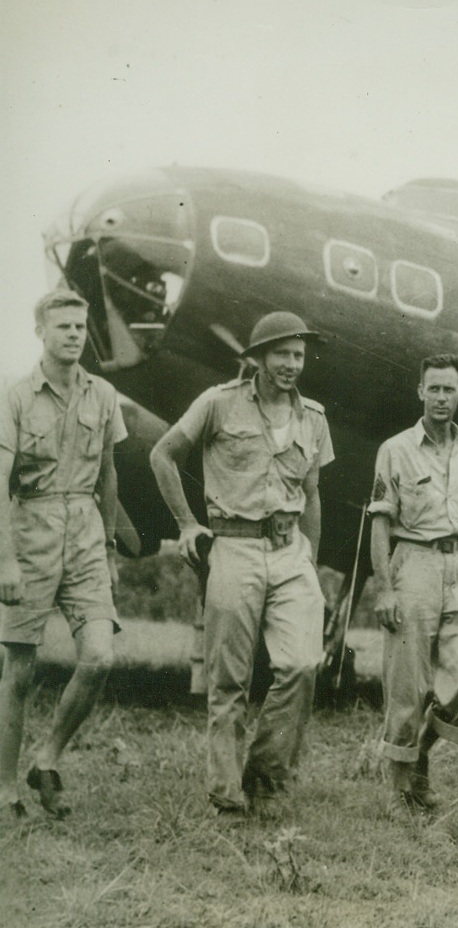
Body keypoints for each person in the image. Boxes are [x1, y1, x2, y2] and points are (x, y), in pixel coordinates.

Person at [149, 311, 333, 818]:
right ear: (258, 358)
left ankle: (267, 775)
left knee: (302, 663)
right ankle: (227, 791)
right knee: (228, 679)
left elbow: (311, 494)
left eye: (298, 356)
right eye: (281, 355)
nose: (291, 365)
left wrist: (310, 560)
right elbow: (163, 456)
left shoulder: (312, 417)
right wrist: (188, 524)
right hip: (233, 547)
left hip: (290, 550)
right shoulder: (218, 403)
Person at [0, 286, 127, 821]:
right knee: (20, 671)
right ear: (41, 333)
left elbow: (109, 476)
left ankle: (45, 759)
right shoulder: (16, 396)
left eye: (80, 327)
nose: (74, 335)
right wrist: (4, 558)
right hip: (30, 529)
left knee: (99, 657)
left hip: (87, 533)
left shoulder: (103, 395)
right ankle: (5, 786)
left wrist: (113, 550)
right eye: (64, 327)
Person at [368, 353, 458, 814]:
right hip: (413, 563)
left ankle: (419, 756)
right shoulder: (395, 449)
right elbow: (381, 523)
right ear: (420, 392)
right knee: (408, 685)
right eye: (433, 388)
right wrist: (384, 588)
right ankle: (402, 789)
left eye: (449, 389)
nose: (441, 397)